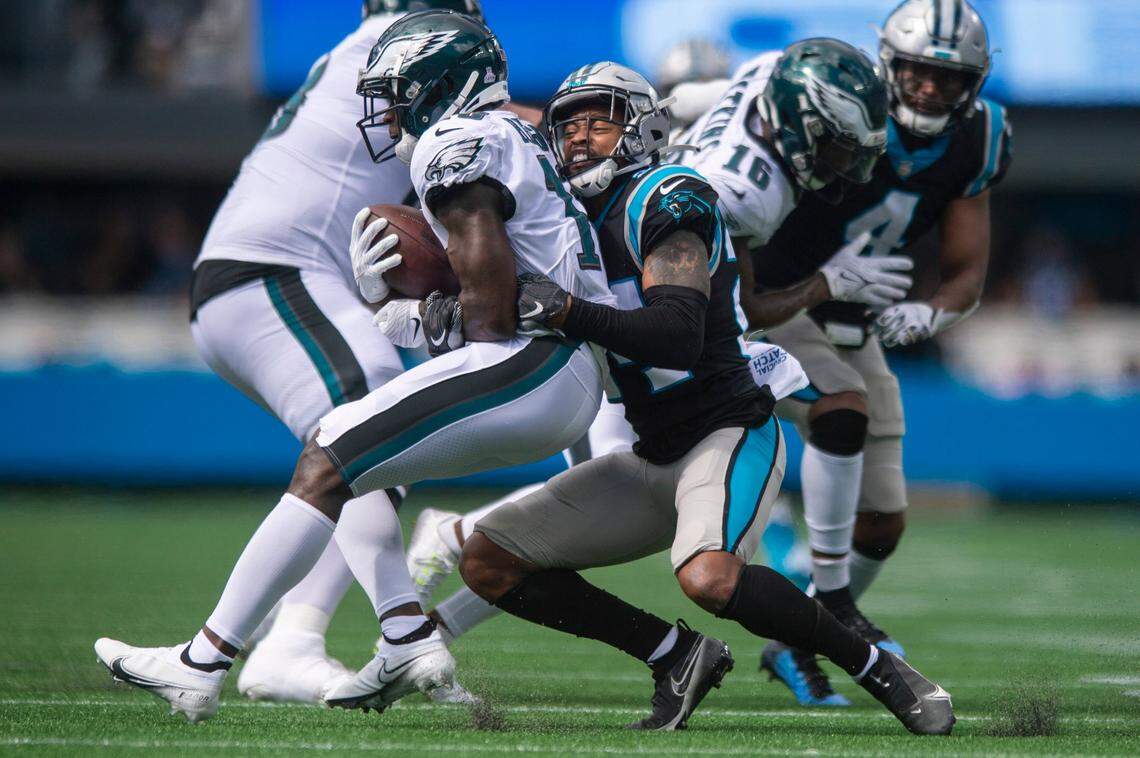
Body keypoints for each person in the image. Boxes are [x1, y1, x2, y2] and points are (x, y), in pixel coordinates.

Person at [94, 9, 612, 722]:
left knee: (336, 451)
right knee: (348, 450)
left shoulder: (455, 134)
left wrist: (409, 312)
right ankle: (391, 636)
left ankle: (216, 660)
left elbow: (491, 318)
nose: (388, 112)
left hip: (520, 361)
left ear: (443, 81)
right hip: (553, 368)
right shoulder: (506, 130)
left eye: (399, 93)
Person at [456, 61, 955, 736]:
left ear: (642, 129)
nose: (578, 137)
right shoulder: (560, 225)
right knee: (488, 560)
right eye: (567, 125)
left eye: (599, 122)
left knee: (710, 578)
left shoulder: (667, 196)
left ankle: (879, 669)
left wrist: (567, 310)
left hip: (727, 429)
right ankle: (675, 655)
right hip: (652, 452)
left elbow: (677, 335)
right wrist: (418, 306)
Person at [172, 0, 485, 708]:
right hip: (271, 270)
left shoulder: (365, 52)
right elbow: (511, 134)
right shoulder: (395, 47)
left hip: (273, 275)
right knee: (369, 424)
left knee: (381, 444)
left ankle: (293, 633)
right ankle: (392, 633)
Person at [744, 0, 1011, 705]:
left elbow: (966, 270)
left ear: (975, 83)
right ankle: (830, 604)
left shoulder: (980, 137)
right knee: (841, 409)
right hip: (779, 301)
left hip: (855, 319)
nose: (929, 88)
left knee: (884, 520)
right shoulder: (838, 100)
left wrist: (932, 311)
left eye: (948, 78)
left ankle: (794, 638)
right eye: (918, 71)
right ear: (889, 62)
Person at [675, 38, 917, 705]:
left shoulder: (769, 69)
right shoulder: (749, 191)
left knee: (841, 405)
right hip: (652, 333)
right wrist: (827, 283)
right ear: (801, 123)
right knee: (617, 503)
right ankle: (829, 598)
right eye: (836, 146)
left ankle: (826, 601)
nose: (845, 165)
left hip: (670, 310)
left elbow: (699, 98)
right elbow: (745, 308)